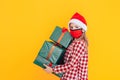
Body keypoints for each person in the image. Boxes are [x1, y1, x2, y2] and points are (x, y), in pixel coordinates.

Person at [44, 12, 88, 80]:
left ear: (82, 29)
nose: (73, 29)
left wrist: (53, 69)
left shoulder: (80, 44)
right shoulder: (73, 42)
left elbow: (71, 64)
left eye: (76, 27)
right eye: (71, 27)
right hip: (67, 76)